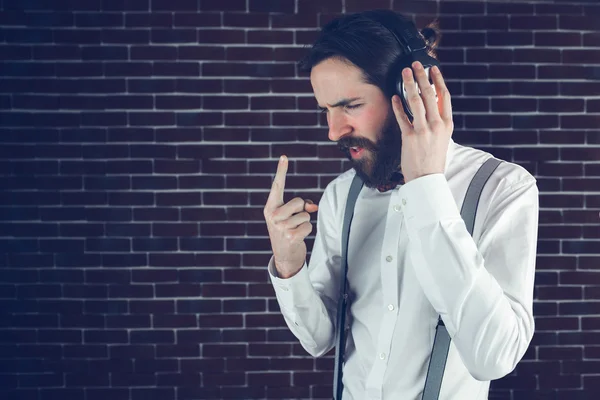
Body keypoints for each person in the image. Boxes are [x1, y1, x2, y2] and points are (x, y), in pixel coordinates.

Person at [262, 9, 538, 400]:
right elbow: (319, 340)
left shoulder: (502, 188)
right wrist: (290, 266)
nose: (333, 131)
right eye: (326, 110)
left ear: (414, 94)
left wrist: (426, 190)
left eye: (350, 106)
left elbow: (494, 357)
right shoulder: (342, 195)